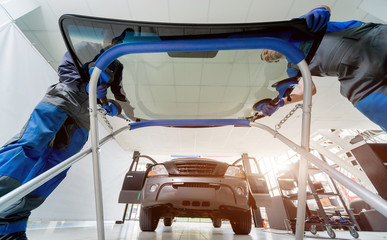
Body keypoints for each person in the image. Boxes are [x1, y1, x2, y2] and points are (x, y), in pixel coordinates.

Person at [0, 36, 131, 239]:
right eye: (116, 40)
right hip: (63, 97)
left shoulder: (117, 64)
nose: (118, 45)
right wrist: (84, 86)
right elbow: (66, 71)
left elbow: (118, 91)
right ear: (107, 36)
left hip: (84, 115)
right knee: (30, 146)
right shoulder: (84, 47)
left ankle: (10, 226)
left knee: (55, 168)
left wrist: (119, 108)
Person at [259, 5, 387, 132]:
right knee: (367, 104)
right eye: (266, 58)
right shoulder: (293, 68)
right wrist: (281, 103)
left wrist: (320, 10)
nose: (267, 55)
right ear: (276, 61)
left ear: (273, 41)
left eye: (265, 51)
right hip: (355, 75)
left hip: (368, 40)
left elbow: (322, 9)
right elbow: (307, 90)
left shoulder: (293, 31)